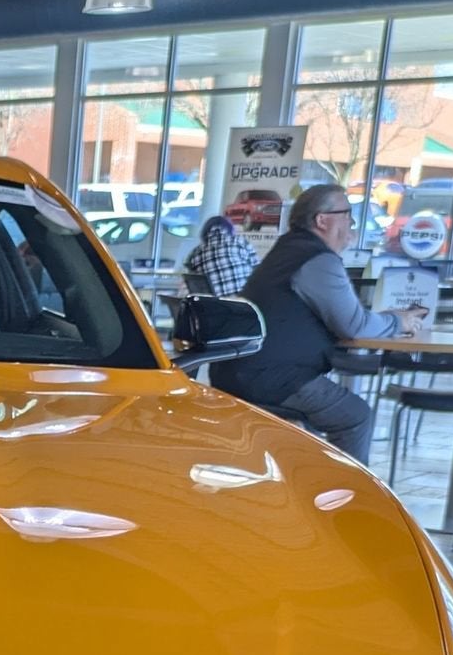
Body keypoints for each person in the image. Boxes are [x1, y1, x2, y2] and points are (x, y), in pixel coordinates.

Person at [211, 184, 427, 465]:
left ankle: (315, 485)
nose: (351, 222)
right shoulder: (317, 261)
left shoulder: (290, 250)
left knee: (323, 422)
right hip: (270, 378)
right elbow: (354, 326)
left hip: (240, 370)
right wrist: (399, 320)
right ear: (322, 220)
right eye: (347, 213)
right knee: (354, 416)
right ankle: (348, 500)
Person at [183, 215, 254, 296]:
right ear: (229, 228)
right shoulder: (240, 242)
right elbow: (257, 269)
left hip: (214, 305)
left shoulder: (195, 253)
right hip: (243, 302)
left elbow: (192, 283)